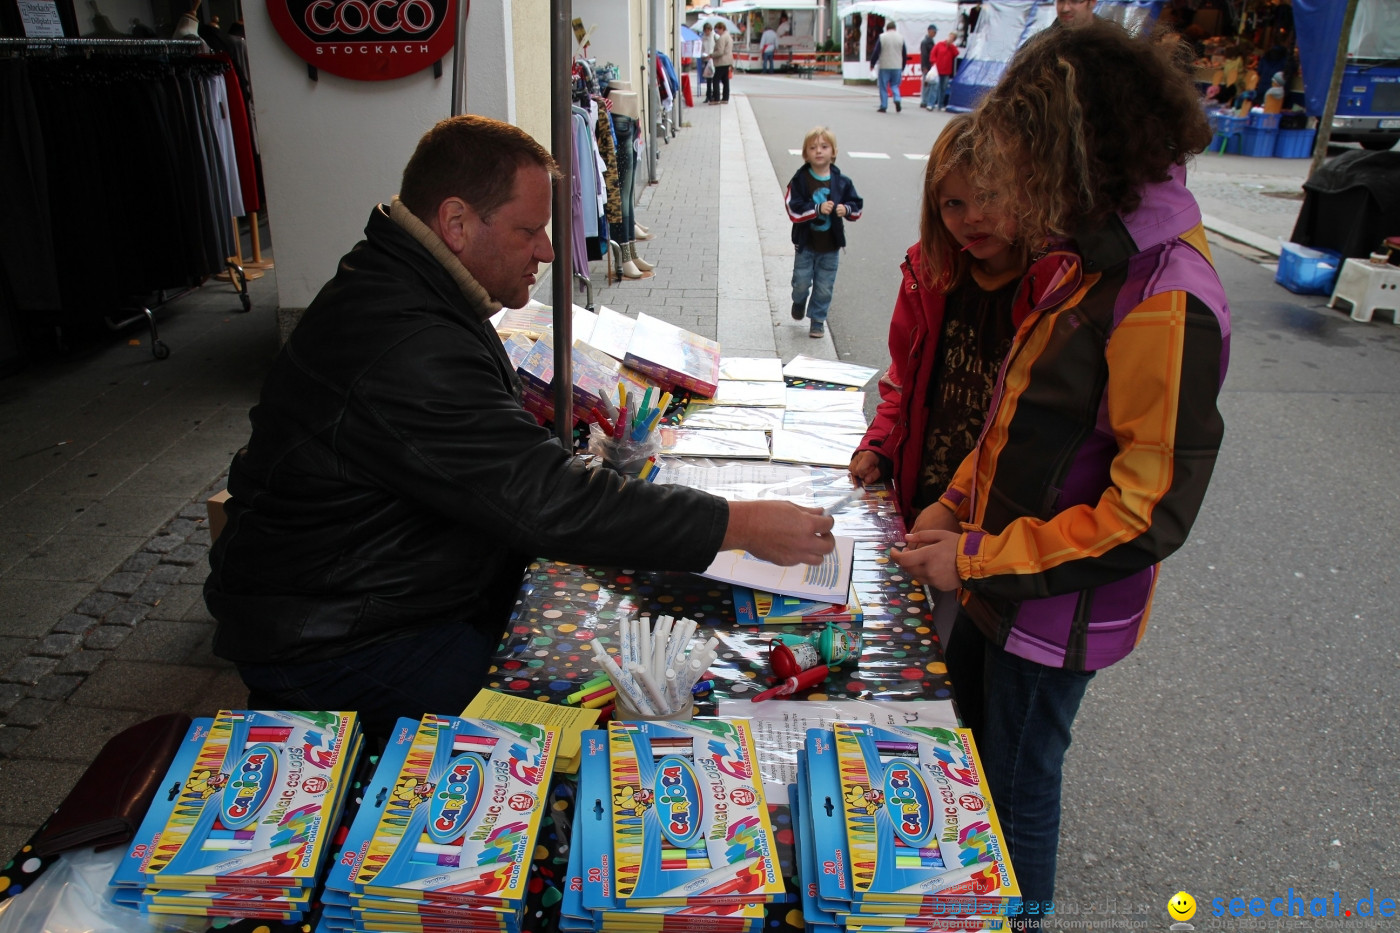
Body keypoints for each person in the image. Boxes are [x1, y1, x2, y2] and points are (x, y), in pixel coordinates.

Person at [204, 115, 835, 739]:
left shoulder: (412, 283)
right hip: (342, 642)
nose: (548, 251)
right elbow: (548, 500)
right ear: (455, 223)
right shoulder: (407, 337)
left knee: (599, 647)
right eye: (528, 230)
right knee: (571, 737)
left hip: (387, 595)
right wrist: (740, 524)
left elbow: (503, 468)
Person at [891, 22, 1228, 925]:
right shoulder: (1089, 261)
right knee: (972, 756)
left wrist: (976, 557)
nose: (1013, 197)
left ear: (1075, 157)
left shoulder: (1164, 296)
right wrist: (957, 498)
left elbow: (1145, 513)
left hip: (1051, 610)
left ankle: (1017, 915)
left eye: (1022, 169)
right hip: (1007, 577)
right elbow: (1016, 415)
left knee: (1017, 783)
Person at [850, 114, 1025, 531]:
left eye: (989, 196)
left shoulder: (1049, 291)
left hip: (998, 519)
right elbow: (903, 385)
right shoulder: (929, 277)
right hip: (925, 500)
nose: (974, 218)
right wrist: (881, 446)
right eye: (954, 204)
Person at [785, 126, 863, 339]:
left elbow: (856, 206)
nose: (818, 151)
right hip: (806, 243)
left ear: (834, 152)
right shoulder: (800, 179)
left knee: (824, 285)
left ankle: (817, 320)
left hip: (830, 245)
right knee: (801, 282)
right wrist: (816, 209)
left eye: (824, 146)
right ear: (805, 154)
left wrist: (845, 209)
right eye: (813, 147)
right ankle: (799, 300)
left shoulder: (842, 182)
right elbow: (793, 208)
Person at [869, 20, 906, 113]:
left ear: (887, 28)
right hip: (897, 66)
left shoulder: (882, 37)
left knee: (883, 87)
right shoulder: (901, 38)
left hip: (885, 65)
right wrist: (903, 66)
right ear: (895, 28)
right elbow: (904, 53)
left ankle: (884, 106)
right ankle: (897, 99)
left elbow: (876, 52)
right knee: (895, 85)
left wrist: (872, 64)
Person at [931, 32, 960, 109]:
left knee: (943, 88)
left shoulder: (952, 47)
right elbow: (933, 54)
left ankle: (940, 104)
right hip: (938, 69)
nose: (950, 39)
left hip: (946, 70)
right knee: (936, 87)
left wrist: (951, 46)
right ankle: (932, 103)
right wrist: (934, 63)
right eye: (950, 36)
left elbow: (956, 53)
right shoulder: (940, 44)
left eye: (952, 38)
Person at [709, 21, 733, 103]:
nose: (717, 32)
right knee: (725, 80)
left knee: (716, 79)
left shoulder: (722, 38)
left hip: (721, 61)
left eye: (717, 30)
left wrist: (711, 55)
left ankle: (716, 98)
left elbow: (720, 51)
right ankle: (725, 98)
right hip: (728, 61)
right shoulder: (729, 36)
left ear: (721, 29)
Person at [919, 24, 938, 110]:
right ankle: (924, 100)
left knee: (928, 83)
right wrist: (924, 66)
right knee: (926, 84)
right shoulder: (925, 42)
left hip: (930, 65)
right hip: (927, 65)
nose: (935, 33)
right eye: (934, 32)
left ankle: (925, 100)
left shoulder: (931, 41)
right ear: (929, 31)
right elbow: (924, 55)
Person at [699, 21, 714, 101]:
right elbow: (702, 48)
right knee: (708, 78)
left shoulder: (714, 37)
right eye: (705, 30)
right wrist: (702, 54)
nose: (707, 32)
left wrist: (712, 54)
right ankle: (708, 95)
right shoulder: (703, 38)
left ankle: (713, 94)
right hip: (706, 59)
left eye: (708, 30)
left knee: (713, 78)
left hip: (713, 59)